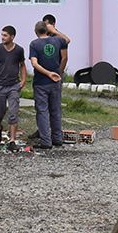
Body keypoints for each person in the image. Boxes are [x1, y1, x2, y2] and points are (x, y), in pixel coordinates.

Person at [28, 20, 65, 149]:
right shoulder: (57, 41)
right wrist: (54, 31)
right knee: (55, 110)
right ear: (47, 30)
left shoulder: (34, 44)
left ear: (35, 32)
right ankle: (57, 139)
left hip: (41, 82)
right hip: (56, 81)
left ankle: (46, 141)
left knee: (42, 111)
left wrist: (48, 73)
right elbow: (67, 39)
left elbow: (34, 63)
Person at [0, 25, 27, 146]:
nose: (2, 37)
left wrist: (23, 80)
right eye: (2, 35)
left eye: (5, 35)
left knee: (13, 112)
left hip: (14, 86)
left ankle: (12, 140)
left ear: (12, 37)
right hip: (0, 85)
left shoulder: (19, 50)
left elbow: (23, 65)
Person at [42, 13, 72, 79]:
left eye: (47, 25)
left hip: (57, 69)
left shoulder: (58, 36)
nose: (46, 27)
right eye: (44, 25)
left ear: (53, 24)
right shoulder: (43, 36)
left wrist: (59, 72)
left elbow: (67, 40)